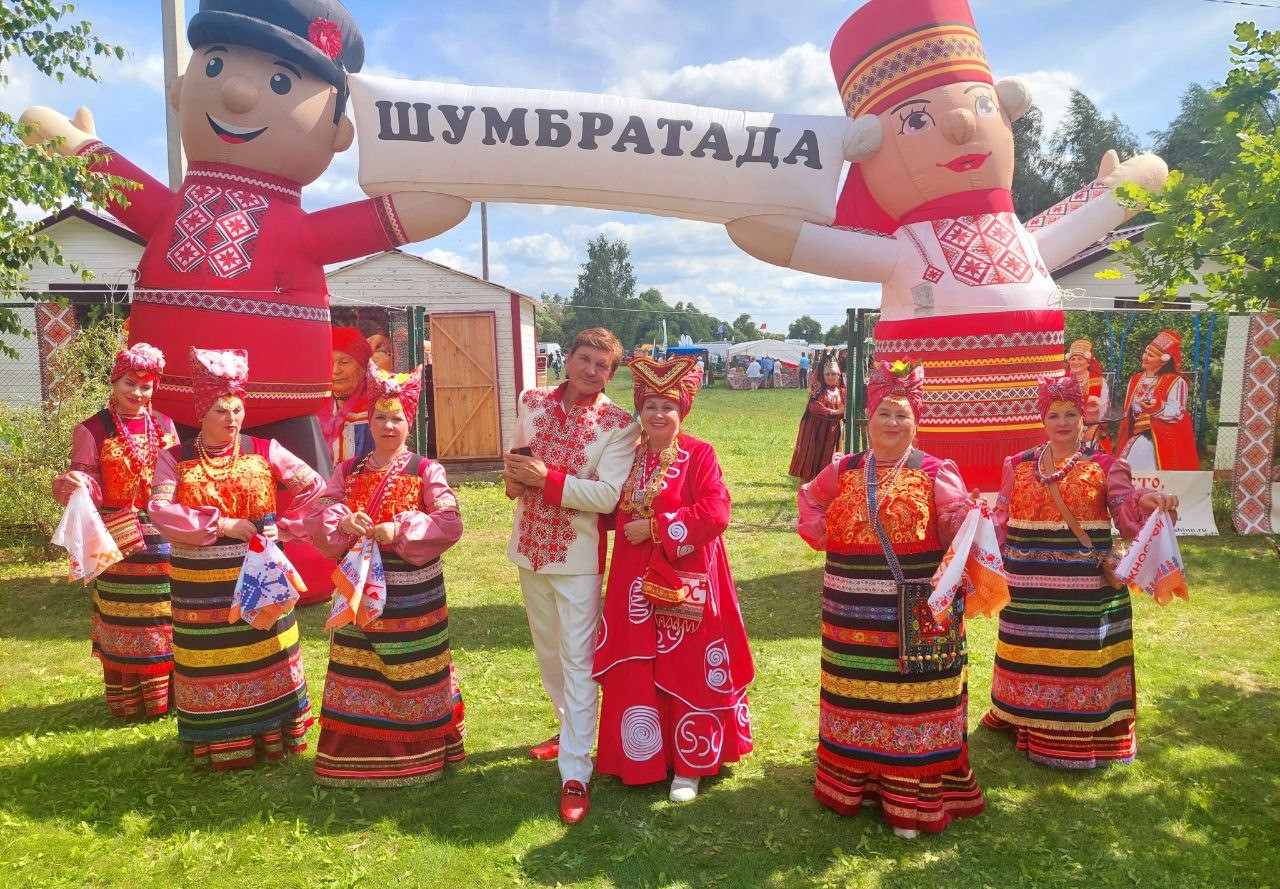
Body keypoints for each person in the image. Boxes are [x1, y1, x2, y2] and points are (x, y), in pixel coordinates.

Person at [725, 0, 1167, 490]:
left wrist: (1120, 189)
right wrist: (762, 216)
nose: (960, 125)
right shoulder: (906, 249)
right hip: (934, 453)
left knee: (1025, 502)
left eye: (982, 106)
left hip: (1034, 453)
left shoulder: (1020, 240)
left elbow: (1085, 217)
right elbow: (793, 240)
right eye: (916, 121)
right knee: (935, 499)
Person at [21, 0, 471, 471]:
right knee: (162, 493)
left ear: (339, 131)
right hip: (169, 406)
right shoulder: (175, 210)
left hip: (281, 407)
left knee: (302, 501)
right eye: (215, 66)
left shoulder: (296, 228)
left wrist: (434, 196)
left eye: (281, 82)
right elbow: (125, 190)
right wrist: (81, 148)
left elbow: (384, 221)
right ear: (180, 90)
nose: (237, 93)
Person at [797, 360, 996, 838]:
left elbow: (955, 529)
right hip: (848, 617)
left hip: (913, 616)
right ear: (868, 419)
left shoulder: (934, 471)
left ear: (916, 421)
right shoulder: (843, 469)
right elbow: (810, 499)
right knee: (854, 692)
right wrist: (823, 533)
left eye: (902, 414)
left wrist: (969, 516)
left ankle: (909, 796)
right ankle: (855, 784)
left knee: (911, 702)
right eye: (883, 413)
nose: (892, 422)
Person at [983, 375, 1179, 769]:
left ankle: (1080, 735)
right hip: (1027, 591)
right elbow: (1001, 520)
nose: (1062, 422)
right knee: (1030, 656)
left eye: (1070, 414)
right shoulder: (1017, 465)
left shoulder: (1106, 465)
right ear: (1043, 419)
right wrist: (982, 543)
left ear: (1082, 418)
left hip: (1085, 592)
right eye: (1054, 414)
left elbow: (1126, 510)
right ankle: (1024, 720)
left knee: (1082, 659)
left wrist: (1147, 500)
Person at [148, 347, 324, 771]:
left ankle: (275, 734)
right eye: (221, 410)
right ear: (202, 412)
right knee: (210, 655)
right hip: (200, 587)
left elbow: (315, 487)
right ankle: (219, 740)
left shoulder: (264, 449)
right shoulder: (175, 459)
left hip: (260, 577)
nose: (232, 418)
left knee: (266, 649)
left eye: (237, 409)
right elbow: (160, 511)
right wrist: (222, 524)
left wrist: (286, 527)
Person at [593, 355, 754, 803]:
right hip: (632, 580)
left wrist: (657, 528)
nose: (658, 414)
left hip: (686, 575)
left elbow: (717, 511)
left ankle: (690, 765)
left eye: (668, 406)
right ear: (639, 409)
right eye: (650, 405)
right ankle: (641, 756)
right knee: (635, 659)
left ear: (682, 410)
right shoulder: (626, 454)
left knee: (687, 663)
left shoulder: (699, 454)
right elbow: (604, 503)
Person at [306, 360, 465, 787]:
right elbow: (320, 515)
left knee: (412, 666)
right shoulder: (348, 469)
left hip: (412, 595)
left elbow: (450, 522)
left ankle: (421, 754)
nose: (388, 426)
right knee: (358, 666)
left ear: (409, 422)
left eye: (397, 418)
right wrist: (343, 522)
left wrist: (401, 529)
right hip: (358, 591)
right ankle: (354, 756)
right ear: (369, 421)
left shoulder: (426, 470)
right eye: (380, 417)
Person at [503, 328, 640, 823]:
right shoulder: (533, 401)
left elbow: (607, 496)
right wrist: (514, 479)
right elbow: (516, 456)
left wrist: (548, 480)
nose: (591, 371)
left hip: (577, 557)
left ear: (612, 374)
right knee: (548, 652)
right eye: (585, 359)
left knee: (579, 661)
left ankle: (576, 772)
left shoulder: (620, 425)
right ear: (570, 358)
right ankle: (569, 730)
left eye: (602, 366)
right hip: (529, 549)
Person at [52, 343, 179, 719]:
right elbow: (87, 486)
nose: (137, 393)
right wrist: (76, 483)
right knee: (125, 616)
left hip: (165, 537)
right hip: (117, 537)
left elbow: (177, 477)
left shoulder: (165, 425)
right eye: (129, 384)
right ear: (114, 381)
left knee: (166, 615)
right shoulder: (92, 429)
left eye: (146, 386)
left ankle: (172, 697)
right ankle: (134, 701)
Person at [1115, 329, 1199, 471]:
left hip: (1161, 438)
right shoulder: (1135, 379)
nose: (1145, 357)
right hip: (1135, 434)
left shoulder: (1175, 381)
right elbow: (1128, 409)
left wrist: (1158, 407)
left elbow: (1178, 412)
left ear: (1163, 360)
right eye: (1145, 353)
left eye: (1151, 355)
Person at [320, 326, 375, 465]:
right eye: (329, 363)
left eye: (344, 362)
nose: (335, 370)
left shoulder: (377, 407)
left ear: (363, 366)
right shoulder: (315, 406)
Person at [789, 359, 847, 483]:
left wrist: (838, 413)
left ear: (838, 375)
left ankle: (821, 492)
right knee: (809, 462)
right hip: (814, 432)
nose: (830, 377)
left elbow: (846, 410)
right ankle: (804, 493)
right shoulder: (818, 390)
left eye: (833, 374)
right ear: (823, 376)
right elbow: (814, 407)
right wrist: (835, 412)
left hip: (832, 434)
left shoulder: (842, 392)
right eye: (827, 374)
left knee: (828, 463)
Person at [1066, 338, 1111, 452]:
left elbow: (1105, 410)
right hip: (1068, 431)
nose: (1075, 362)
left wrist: (1094, 428)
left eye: (1080, 359)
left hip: (1093, 431)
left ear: (1088, 362)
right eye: (1073, 359)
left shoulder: (1099, 381)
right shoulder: (1064, 382)